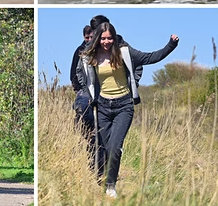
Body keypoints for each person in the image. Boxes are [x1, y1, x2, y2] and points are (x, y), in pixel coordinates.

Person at [76, 22, 179, 198]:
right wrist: (88, 95)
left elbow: (150, 58)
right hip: (101, 107)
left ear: (114, 38)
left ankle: (111, 185)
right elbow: (81, 76)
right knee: (104, 148)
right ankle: (101, 178)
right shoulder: (88, 57)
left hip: (123, 106)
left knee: (115, 148)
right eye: (103, 38)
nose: (106, 42)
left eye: (109, 38)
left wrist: (171, 45)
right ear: (97, 38)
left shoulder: (124, 52)